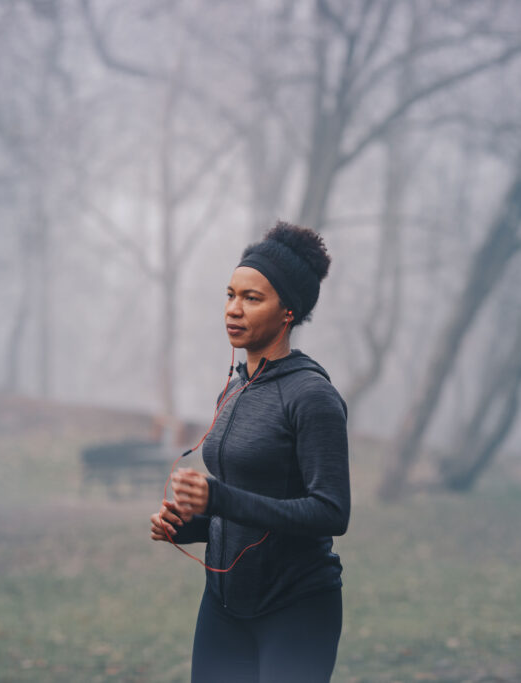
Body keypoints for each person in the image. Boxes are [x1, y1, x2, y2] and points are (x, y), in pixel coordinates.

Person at [149, 221, 350, 682]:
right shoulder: (236, 387)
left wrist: (218, 498)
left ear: (288, 312)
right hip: (222, 607)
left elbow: (332, 511)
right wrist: (190, 525)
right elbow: (246, 504)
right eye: (230, 294)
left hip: (297, 609)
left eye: (252, 298)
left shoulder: (311, 396)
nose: (233, 310)